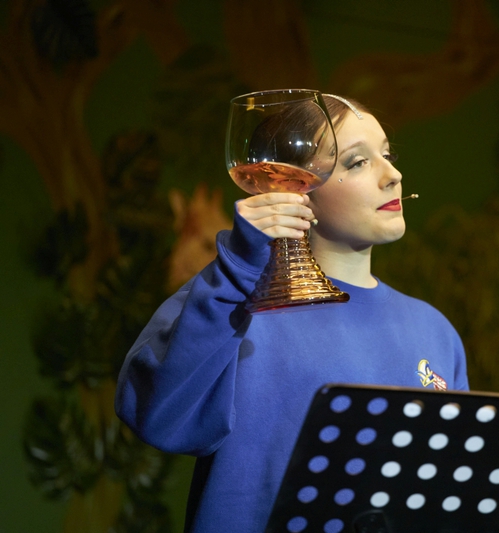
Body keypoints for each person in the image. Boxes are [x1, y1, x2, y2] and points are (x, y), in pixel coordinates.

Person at [114, 94, 470, 533]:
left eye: (388, 155)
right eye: (358, 162)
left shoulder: (434, 330)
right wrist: (237, 270)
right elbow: (157, 417)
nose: (393, 175)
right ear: (291, 187)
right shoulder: (235, 303)